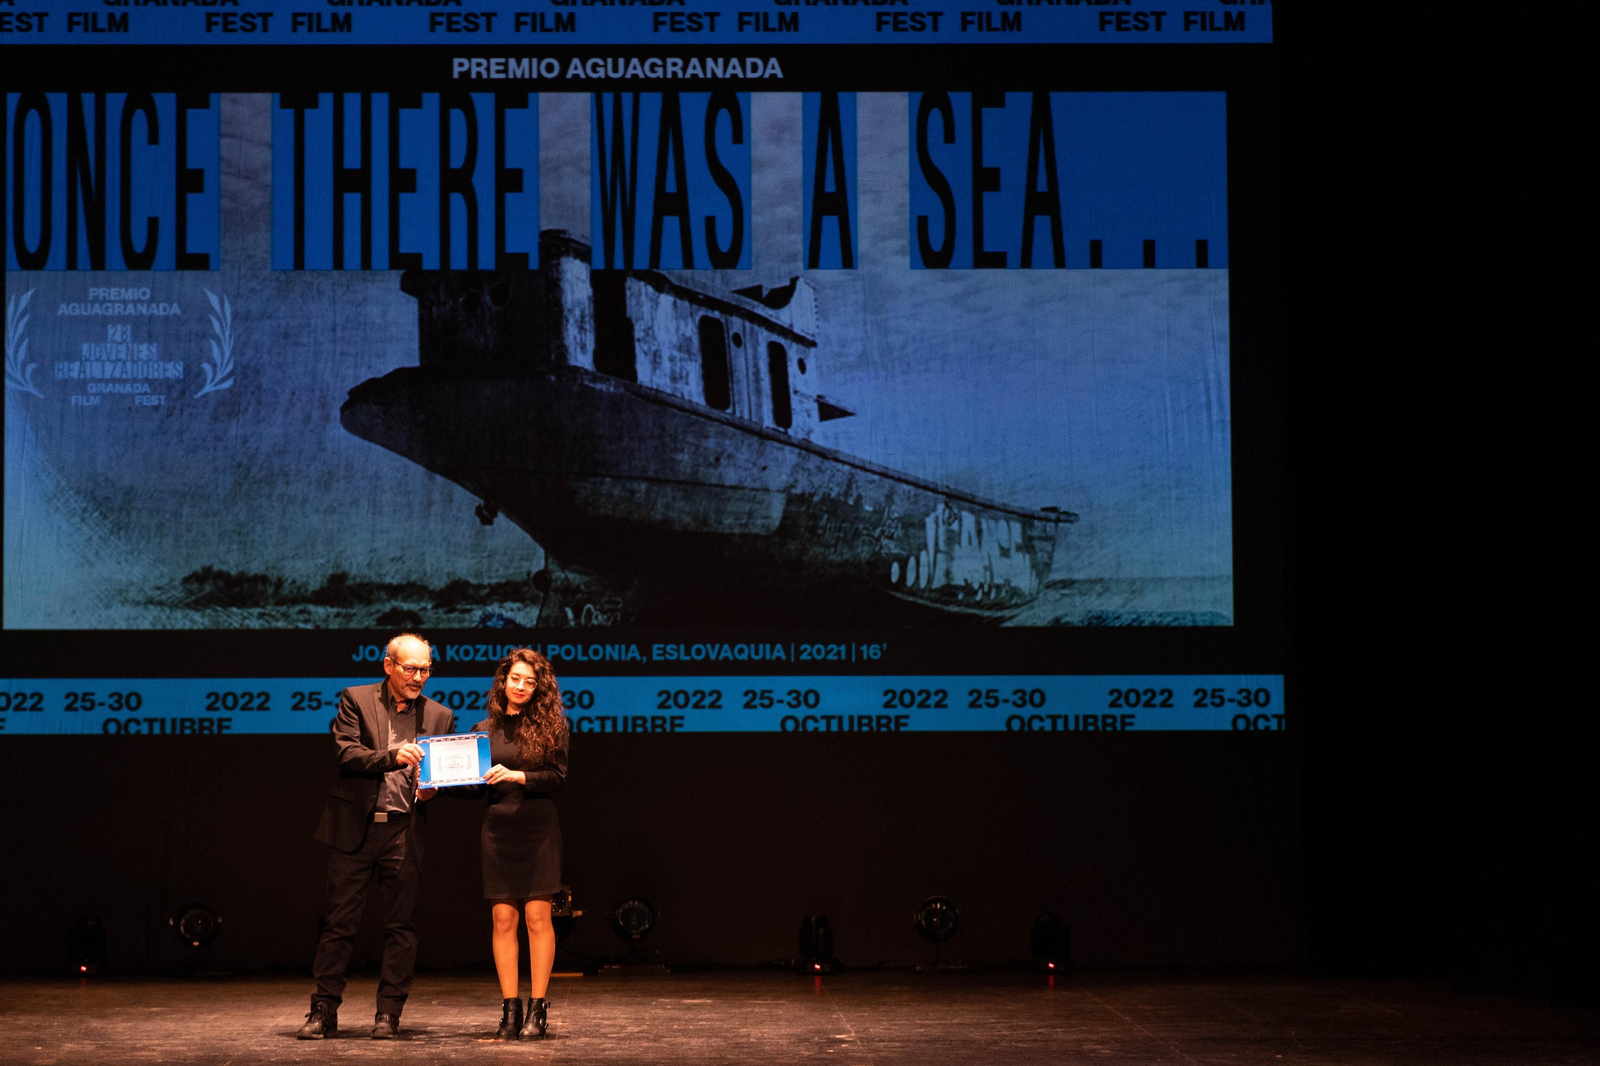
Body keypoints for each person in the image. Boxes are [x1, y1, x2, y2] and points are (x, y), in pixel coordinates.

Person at [297, 633, 454, 1040]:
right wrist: (393, 756)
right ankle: (323, 1009)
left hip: (403, 827)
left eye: (426, 670)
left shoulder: (440, 715)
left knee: (402, 925)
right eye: (411, 669)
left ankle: (389, 1013)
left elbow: (437, 775)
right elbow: (347, 753)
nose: (419, 677)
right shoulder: (357, 699)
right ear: (388, 665)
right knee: (339, 922)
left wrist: (432, 790)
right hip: (357, 828)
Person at [473, 648, 569, 1040]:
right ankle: (510, 1010)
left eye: (530, 682)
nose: (521, 687)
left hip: (537, 829)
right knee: (503, 920)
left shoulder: (552, 726)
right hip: (498, 829)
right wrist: (434, 785)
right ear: (504, 681)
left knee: (537, 919)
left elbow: (557, 776)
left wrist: (519, 776)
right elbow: (475, 783)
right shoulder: (484, 728)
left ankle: (537, 1009)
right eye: (515, 679)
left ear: (538, 688)